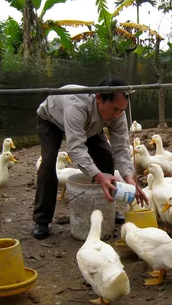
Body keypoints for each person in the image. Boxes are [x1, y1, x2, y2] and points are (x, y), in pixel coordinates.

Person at [32, 78, 149, 239]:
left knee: (105, 156)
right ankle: (42, 220)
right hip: (51, 120)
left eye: (122, 110)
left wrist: (130, 179)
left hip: (91, 126)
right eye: (114, 109)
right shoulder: (76, 105)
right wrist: (99, 176)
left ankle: (107, 206)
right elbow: (76, 147)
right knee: (48, 163)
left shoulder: (117, 114)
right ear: (99, 98)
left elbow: (121, 148)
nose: (117, 115)